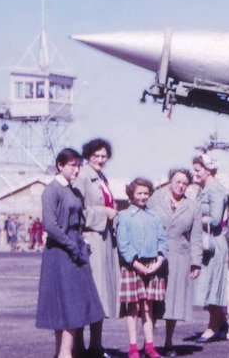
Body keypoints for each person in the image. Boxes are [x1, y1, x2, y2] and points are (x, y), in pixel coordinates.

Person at [35, 148, 105, 358]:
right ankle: (65, 354)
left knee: (75, 306)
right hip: (61, 254)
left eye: (78, 165)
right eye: (72, 165)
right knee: (66, 306)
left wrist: (80, 241)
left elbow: (79, 221)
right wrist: (72, 245)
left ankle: (64, 353)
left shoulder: (74, 191)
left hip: (75, 252)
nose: (77, 169)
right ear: (60, 165)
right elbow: (51, 226)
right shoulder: (52, 190)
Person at [148, 169, 203, 357]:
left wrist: (196, 263)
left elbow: (196, 237)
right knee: (153, 301)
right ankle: (149, 345)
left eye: (184, 183)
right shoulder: (155, 199)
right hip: (156, 256)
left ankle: (169, 342)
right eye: (177, 181)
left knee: (174, 302)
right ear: (170, 182)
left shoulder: (194, 206)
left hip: (180, 257)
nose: (180, 186)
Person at [73, 138, 119, 357]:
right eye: (96, 155)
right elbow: (77, 211)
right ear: (88, 155)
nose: (100, 160)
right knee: (88, 293)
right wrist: (104, 213)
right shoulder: (82, 176)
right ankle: (80, 346)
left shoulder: (101, 177)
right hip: (91, 240)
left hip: (105, 240)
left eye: (104, 156)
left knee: (101, 294)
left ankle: (96, 345)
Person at [117, 178, 169, 358]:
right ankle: (133, 348)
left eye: (146, 193)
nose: (143, 196)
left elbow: (163, 241)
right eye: (139, 193)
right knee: (133, 308)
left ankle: (149, 346)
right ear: (131, 194)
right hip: (134, 266)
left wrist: (160, 260)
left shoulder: (154, 216)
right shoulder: (123, 216)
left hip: (153, 266)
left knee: (148, 308)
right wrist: (136, 264)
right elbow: (123, 244)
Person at [191, 154, 229, 343]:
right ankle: (222, 325)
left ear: (208, 170)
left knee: (211, 286)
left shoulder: (214, 190)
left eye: (198, 170)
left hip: (213, 244)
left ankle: (212, 328)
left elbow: (215, 219)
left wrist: (192, 220)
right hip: (207, 243)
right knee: (203, 286)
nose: (195, 174)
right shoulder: (204, 189)